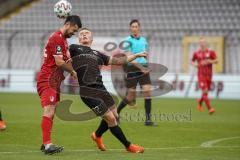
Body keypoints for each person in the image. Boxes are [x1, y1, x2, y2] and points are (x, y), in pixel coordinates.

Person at [69, 28, 145, 153]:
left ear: (91, 38)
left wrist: (136, 55)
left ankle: (97, 135)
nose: (83, 35)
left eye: (86, 33)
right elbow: (62, 57)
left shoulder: (97, 54)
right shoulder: (74, 48)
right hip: (88, 91)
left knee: (115, 115)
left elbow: (118, 61)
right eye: (81, 34)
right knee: (111, 119)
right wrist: (69, 69)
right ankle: (128, 146)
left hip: (101, 89)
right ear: (78, 38)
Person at [37, 15, 81, 155]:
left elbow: (66, 60)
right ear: (68, 24)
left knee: (52, 110)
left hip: (54, 80)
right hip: (48, 79)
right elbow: (59, 62)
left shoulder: (63, 40)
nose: (74, 33)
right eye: (74, 30)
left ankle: (46, 143)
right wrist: (72, 71)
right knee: (49, 109)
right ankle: (48, 145)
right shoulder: (57, 38)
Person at [117, 19, 155, 126]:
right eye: (132, 27)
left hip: (143, 68)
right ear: (130, 28)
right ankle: (116, 114)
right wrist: (141, 68)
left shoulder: (144, 40)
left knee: (147, 92)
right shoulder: (127, 41)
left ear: (139, 27)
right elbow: (130, 58)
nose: (134, 28)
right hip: (132, 69)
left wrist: (146, 65)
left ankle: (148, 120)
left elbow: (145, 55)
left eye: (136, 26)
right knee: (130, 97)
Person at [191, 37, 218, 114]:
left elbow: (216, 60)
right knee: (205, 90)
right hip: (201, 75)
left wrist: (211, 61)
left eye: (203, 42)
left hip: (209, 75)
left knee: (205, 93)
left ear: (206, 43)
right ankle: (210, 108)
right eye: (200, 42)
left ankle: (199, 102)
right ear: (199, 44)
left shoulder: (211, 52)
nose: (202, 44)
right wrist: (195, 64)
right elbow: (192, 61)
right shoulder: (196, 53)